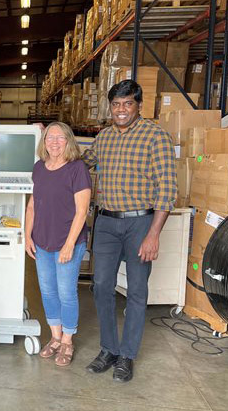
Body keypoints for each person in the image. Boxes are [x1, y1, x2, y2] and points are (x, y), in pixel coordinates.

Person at [82, 80, 176, 382]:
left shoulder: (155, 137)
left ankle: (127, 355)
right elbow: (82, 164)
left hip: (140, 224)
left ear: (138, 106)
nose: (121, 110)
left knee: (136, 291)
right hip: (107, 222)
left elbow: (168, 190)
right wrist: (52, 143)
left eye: (127, 104)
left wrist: (153, 234)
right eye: (116, 104)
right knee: (101, 287)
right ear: (110, 107)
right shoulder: (105, 137)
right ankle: (108, 348)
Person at [25, 122, 91, 367]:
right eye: (49, 137)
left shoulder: (77, 169)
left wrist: (69, 245)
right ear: (44, 142)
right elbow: (33, 205)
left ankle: (67, 340)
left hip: (68, 243)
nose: (54, 141)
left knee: (66, 293)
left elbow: (82, 211)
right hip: (42, 241)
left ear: (68, 141)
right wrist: (27, 235)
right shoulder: (39, 168)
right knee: (48, 291)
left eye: (60, 137)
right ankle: (54, 337)